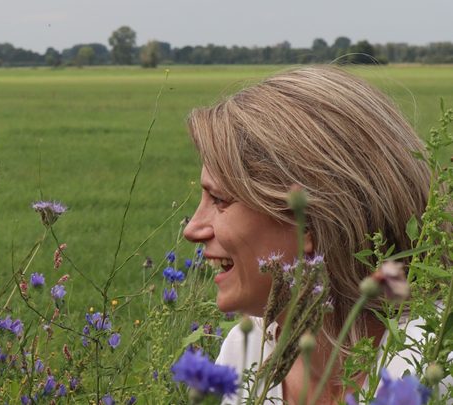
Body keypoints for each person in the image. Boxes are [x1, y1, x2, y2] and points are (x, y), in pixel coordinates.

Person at [182, 66, 447, 403]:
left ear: (308, 221)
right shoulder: (245, 351)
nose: (192, 228)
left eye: (219, 200)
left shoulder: (434, 363)